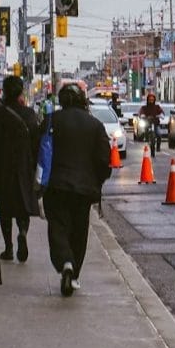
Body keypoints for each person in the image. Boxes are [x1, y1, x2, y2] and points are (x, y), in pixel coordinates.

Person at [41, 83, 114, 297]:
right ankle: (73, 273)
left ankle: (65, 262)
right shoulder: (95, 125)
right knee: (79, 230)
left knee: (58, 227)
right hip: (84, 188)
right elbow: (103, 159)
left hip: (56, 185)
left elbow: (39, 151)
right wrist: (98, 181)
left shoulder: (51, 121)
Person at [0, 74, 40, 261]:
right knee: (23, 205)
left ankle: (8, 248)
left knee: (5, 208)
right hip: (24, 166)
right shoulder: (30, 114)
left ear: (5, 92)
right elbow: (36, 142)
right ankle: (22, 231)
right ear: (21, 92)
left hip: (3, 166)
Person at [139, 92, 164, 156]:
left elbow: (161, 111)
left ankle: (158, 147)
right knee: (142, 132)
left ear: (154, 100)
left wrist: (161, 115)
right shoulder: (144, 107)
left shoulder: (157, 107)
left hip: (155, 124)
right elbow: (141, 112)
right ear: (147, 100)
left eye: (152, 100)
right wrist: (142, 115)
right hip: (148, 124)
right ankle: (146, 138)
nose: (151, 101)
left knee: (159, 134)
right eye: (150, 99)